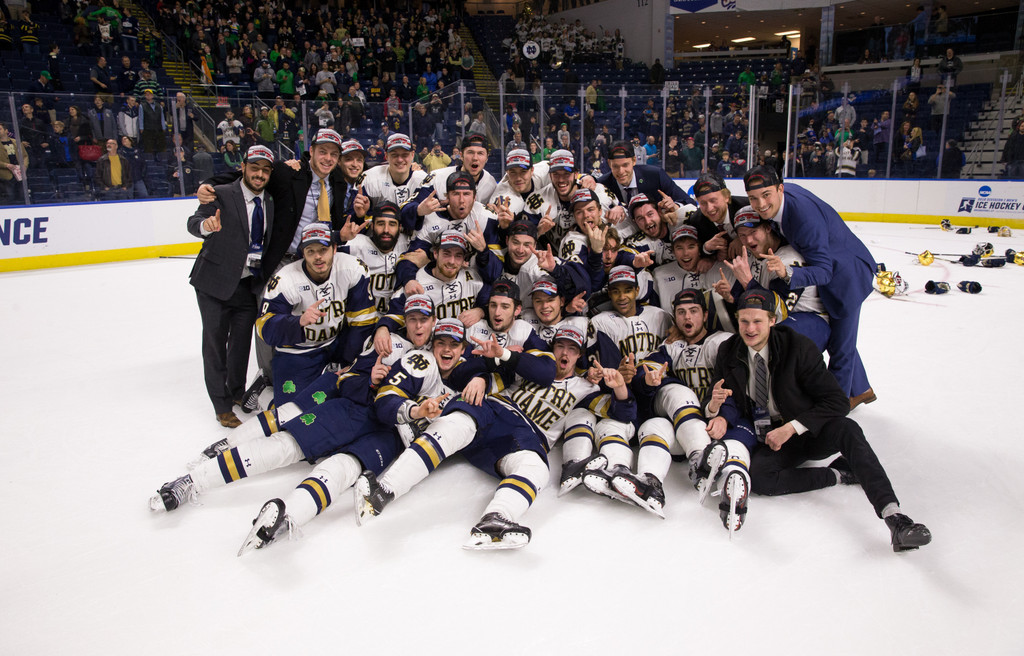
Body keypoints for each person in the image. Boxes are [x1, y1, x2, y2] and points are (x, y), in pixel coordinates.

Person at [706, 288, 932, 551]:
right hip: (764, 436)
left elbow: (836, 401)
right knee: (760, 478)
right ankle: (838, 474)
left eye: (758, 321)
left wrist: (791, 428)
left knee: (847, 429)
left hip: (804, 431)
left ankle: (895, 518)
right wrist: (716, 409)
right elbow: (723, 395)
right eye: (744, 321)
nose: (750, 328)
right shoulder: (728, 350)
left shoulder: (798, 347)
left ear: (772, 320)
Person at [742, 166, 875, 408]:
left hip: (847, 276)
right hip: (833, 264)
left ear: (780, 189)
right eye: (753, 198)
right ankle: (862, 389)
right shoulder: (777, 198)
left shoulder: (803, 219)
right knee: (841, 341)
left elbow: (825, 272)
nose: (760, 204)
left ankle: (837, 411)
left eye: (766, 195)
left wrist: (787, 272)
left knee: (841, 347)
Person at [186, 146, 276, 427]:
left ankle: (236, 392)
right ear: (244, 167)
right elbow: (194, 222)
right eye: (255, 168)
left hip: (248, 285)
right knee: (214, 344)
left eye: (265, 170)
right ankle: (221, 404)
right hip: (214, 282)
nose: (259, 174)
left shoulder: (272, 201)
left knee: (240, 344)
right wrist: (206, 226)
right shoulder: (222, 193)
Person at [256, 222, 379, 406]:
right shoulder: (285, 280)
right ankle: (263, 393)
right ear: (302, 253)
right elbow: (264, 328)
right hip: (297, 351)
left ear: (335, 248)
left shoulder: (352, 268)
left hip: (335, 343)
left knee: (349, 398)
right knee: (293, 412)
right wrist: (297, 322)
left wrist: (350, 361)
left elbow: (362, 321)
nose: (318, 257)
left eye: (323, 249)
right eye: (310, 251)